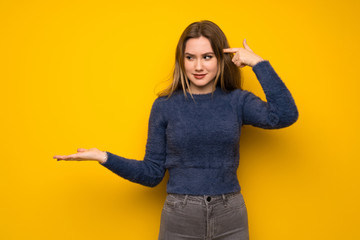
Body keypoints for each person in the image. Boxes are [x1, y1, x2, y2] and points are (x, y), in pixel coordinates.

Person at [53, 20, 298, 240]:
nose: (198, 66)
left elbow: (285, 115)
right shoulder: (165, 105)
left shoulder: (237, 101)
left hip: (230, 215)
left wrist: (258, 63)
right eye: (190, 57)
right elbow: (152, 174)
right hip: (180, 217)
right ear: (181, 60)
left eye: (207, 57)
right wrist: (103, 157)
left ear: (221, 59)